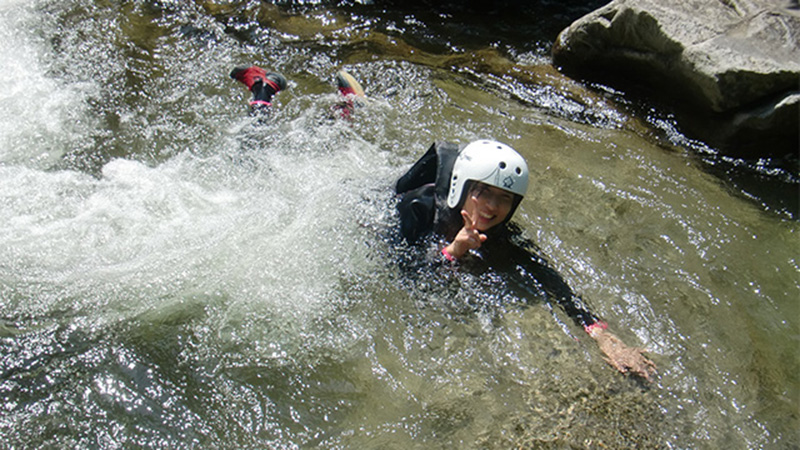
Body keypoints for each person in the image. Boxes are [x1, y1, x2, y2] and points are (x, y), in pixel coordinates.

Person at [396, 140, 657, 381]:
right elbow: (406, 277)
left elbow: (547, 276)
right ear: (462, 185)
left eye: (504, 198)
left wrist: (599, 333)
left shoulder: (503, 234)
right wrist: (453, 251)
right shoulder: (417, 207)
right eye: (483, 192)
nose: (491, 206)